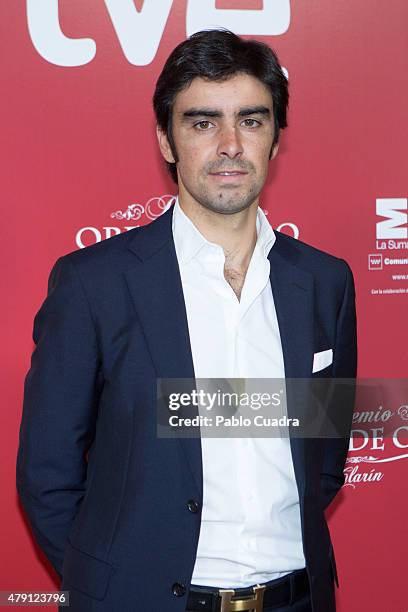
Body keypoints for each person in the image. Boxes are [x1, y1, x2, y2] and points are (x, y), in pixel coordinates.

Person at [16, 29, 357, 612]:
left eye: (251, 121)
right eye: (202, 123)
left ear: (275, 139)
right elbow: (48, 474)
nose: (229, 144)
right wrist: (110, 583)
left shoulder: (325, 282)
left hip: (299, 598)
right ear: (166, 141)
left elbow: (324, 460)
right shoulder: (95, 283)